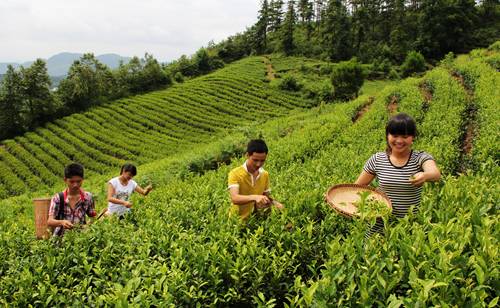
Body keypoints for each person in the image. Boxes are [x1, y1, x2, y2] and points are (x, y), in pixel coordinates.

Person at [355, 113, 441, 237]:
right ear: (387, 136)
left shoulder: (420, 158)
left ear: (413, 137)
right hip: (379, 223)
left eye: (405, 136)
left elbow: (436, 174)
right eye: (394, 136)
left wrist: (425, 175)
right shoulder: (377, 159)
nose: (399, 141)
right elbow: (357, 187)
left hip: (409, 224)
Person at [228, 139, 283, 220]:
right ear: (247, 155)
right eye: (255, 160)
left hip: (255, 221)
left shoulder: (265, 174)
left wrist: (274, 203)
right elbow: (235, 198)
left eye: (262, 161)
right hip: (236, 222)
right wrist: (255, 197)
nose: (258, 164)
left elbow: (265, 198)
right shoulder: (235, 173)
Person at [47, 163, 96, 236]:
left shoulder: (88, 197)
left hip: (81, 237)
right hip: (61, 238)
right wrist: (62, 222)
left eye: (78, 181)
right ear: (65, 180)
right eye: (72, 181)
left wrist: (88, 225)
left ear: (83, 179)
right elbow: (50, 221)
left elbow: (92, 217)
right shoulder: (58, 198)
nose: (75, 185)